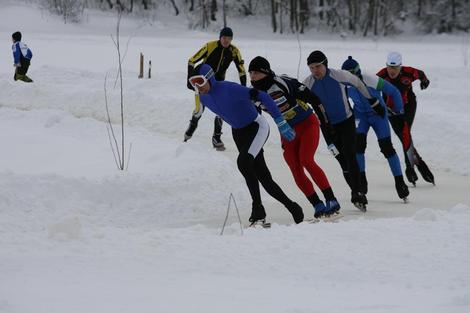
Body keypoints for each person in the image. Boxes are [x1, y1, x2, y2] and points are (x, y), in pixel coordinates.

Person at [188, 63, 304, 226]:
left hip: (257, 127)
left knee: (243, 163)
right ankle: (293, 207)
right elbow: (212, 111)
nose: (197, 86)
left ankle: (257, 209)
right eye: (193, 82)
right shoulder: (203, 96)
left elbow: (263, 96)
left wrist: (281, 122)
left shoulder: (229, 88)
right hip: (239, 133)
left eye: (200, 81)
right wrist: (196, 129)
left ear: (210, 78)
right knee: (264, 178)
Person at [248, 56, 341, 219]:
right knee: (294, 167)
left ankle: (331, 199)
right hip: (288, 132)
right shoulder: (254, 94)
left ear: (265, 72)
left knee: (306, 159)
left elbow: (314, 100)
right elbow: (256, 119)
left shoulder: (283, 83)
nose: (252, 77)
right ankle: (317, 204)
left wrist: (326, 125)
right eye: (250, 73)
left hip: (307, 124)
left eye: (256, 73)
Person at [303, 50, 381, 212]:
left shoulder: (340, 75)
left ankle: (357, 193)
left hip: (346, 122)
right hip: (327, 127)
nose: (315, 71)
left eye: (318, 66)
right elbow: (297, 100)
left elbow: (359, 83)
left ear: (325, 64)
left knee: (350, 155)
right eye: (311, 68)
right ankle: (357, 187)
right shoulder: (308, 83)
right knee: (342, 160)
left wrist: (372, 101)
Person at [341, 56, 409, 201]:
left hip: (378, 115)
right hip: (361, 116)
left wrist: (399, 111)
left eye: (353, 76)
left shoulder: (371, 79)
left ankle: (400, 182)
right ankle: (362, 180)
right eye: (348, 77)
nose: (351, 80)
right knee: (358, 146)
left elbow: (394, 92)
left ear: (358, 73)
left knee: (387, 148)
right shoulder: (343, 84)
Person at [184, 27, 247, 151]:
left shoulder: (234, 51)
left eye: (229, 39)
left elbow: (241, 70)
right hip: (203, 84)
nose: (226, 41)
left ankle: (216, 138)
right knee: (199, 110)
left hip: (219, 85)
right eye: (224, 38)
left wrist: (243, 88)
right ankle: (190, 131)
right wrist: (190, 80)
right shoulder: (210, 46)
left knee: (221, 111)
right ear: (220, 37)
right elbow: (191, 61)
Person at [377, 52, 434, 186]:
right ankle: (419, 163)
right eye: (390, 68)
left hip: (408, 106)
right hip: (391, 110)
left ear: (400, 67)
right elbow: (368, 87)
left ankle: (410, 168)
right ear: (386, 66)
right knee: (404, 136)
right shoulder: (381, 75)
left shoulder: (409, 72)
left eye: (395, 68)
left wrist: (425, 82)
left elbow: (421, 74)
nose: (392, 71)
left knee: (405, 132)